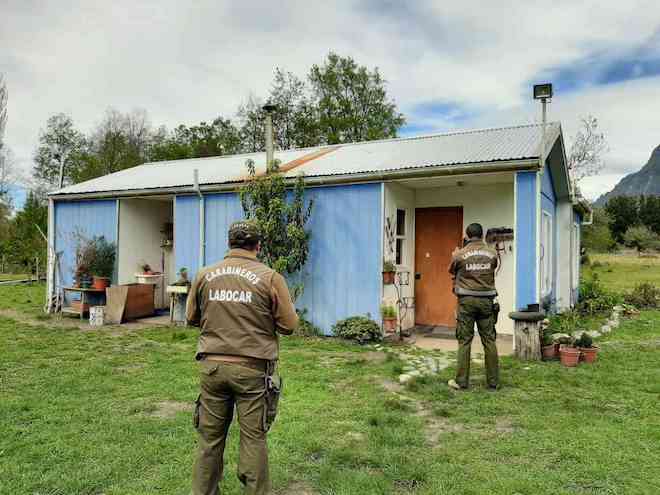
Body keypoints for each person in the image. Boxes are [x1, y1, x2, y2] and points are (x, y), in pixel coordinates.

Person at [187, 220, 299, 495]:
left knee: (209, 440)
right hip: (252, 371)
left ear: (229, 244)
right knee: (253, 439)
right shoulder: (270, 277)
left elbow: (191, 318)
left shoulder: (204, 274)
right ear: (258, 246)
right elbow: (289, 325)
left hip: (212, 369)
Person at [447, 223, 500, 391]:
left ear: (467, 235)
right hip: (486, 302)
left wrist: (455, 255)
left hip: (467, 302)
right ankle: (493, 382)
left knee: (464, 341)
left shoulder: (459, 254)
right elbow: (493, 267)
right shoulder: (492, 253)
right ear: (482, 234)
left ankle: (461, 382)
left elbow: (451, 270)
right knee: (489, 341)